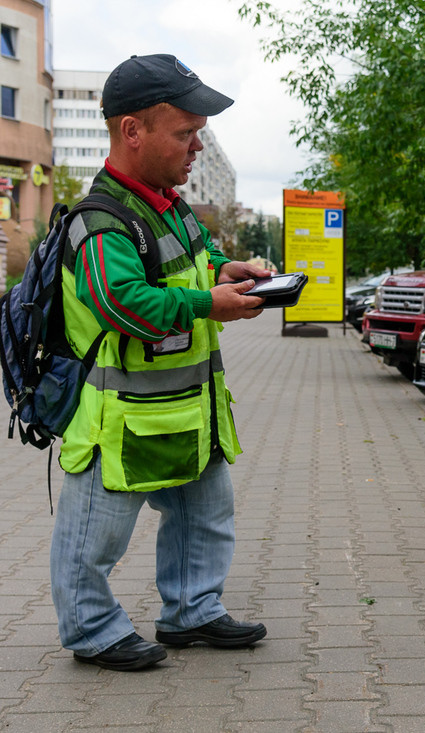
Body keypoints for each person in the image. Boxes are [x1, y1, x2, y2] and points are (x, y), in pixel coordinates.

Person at [50, 54, 269, 671]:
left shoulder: (171, 206)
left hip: (186, 413)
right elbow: (123, 302)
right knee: (94, 538)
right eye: (185, 133)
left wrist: (228, 271)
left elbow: (191, 265)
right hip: (118, 424)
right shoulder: (99, 221)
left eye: (199, 133)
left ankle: (193, 612)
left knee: (206, 515)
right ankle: (91, 629)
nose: (196, 145)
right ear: (132, 131)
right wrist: (209, 303)